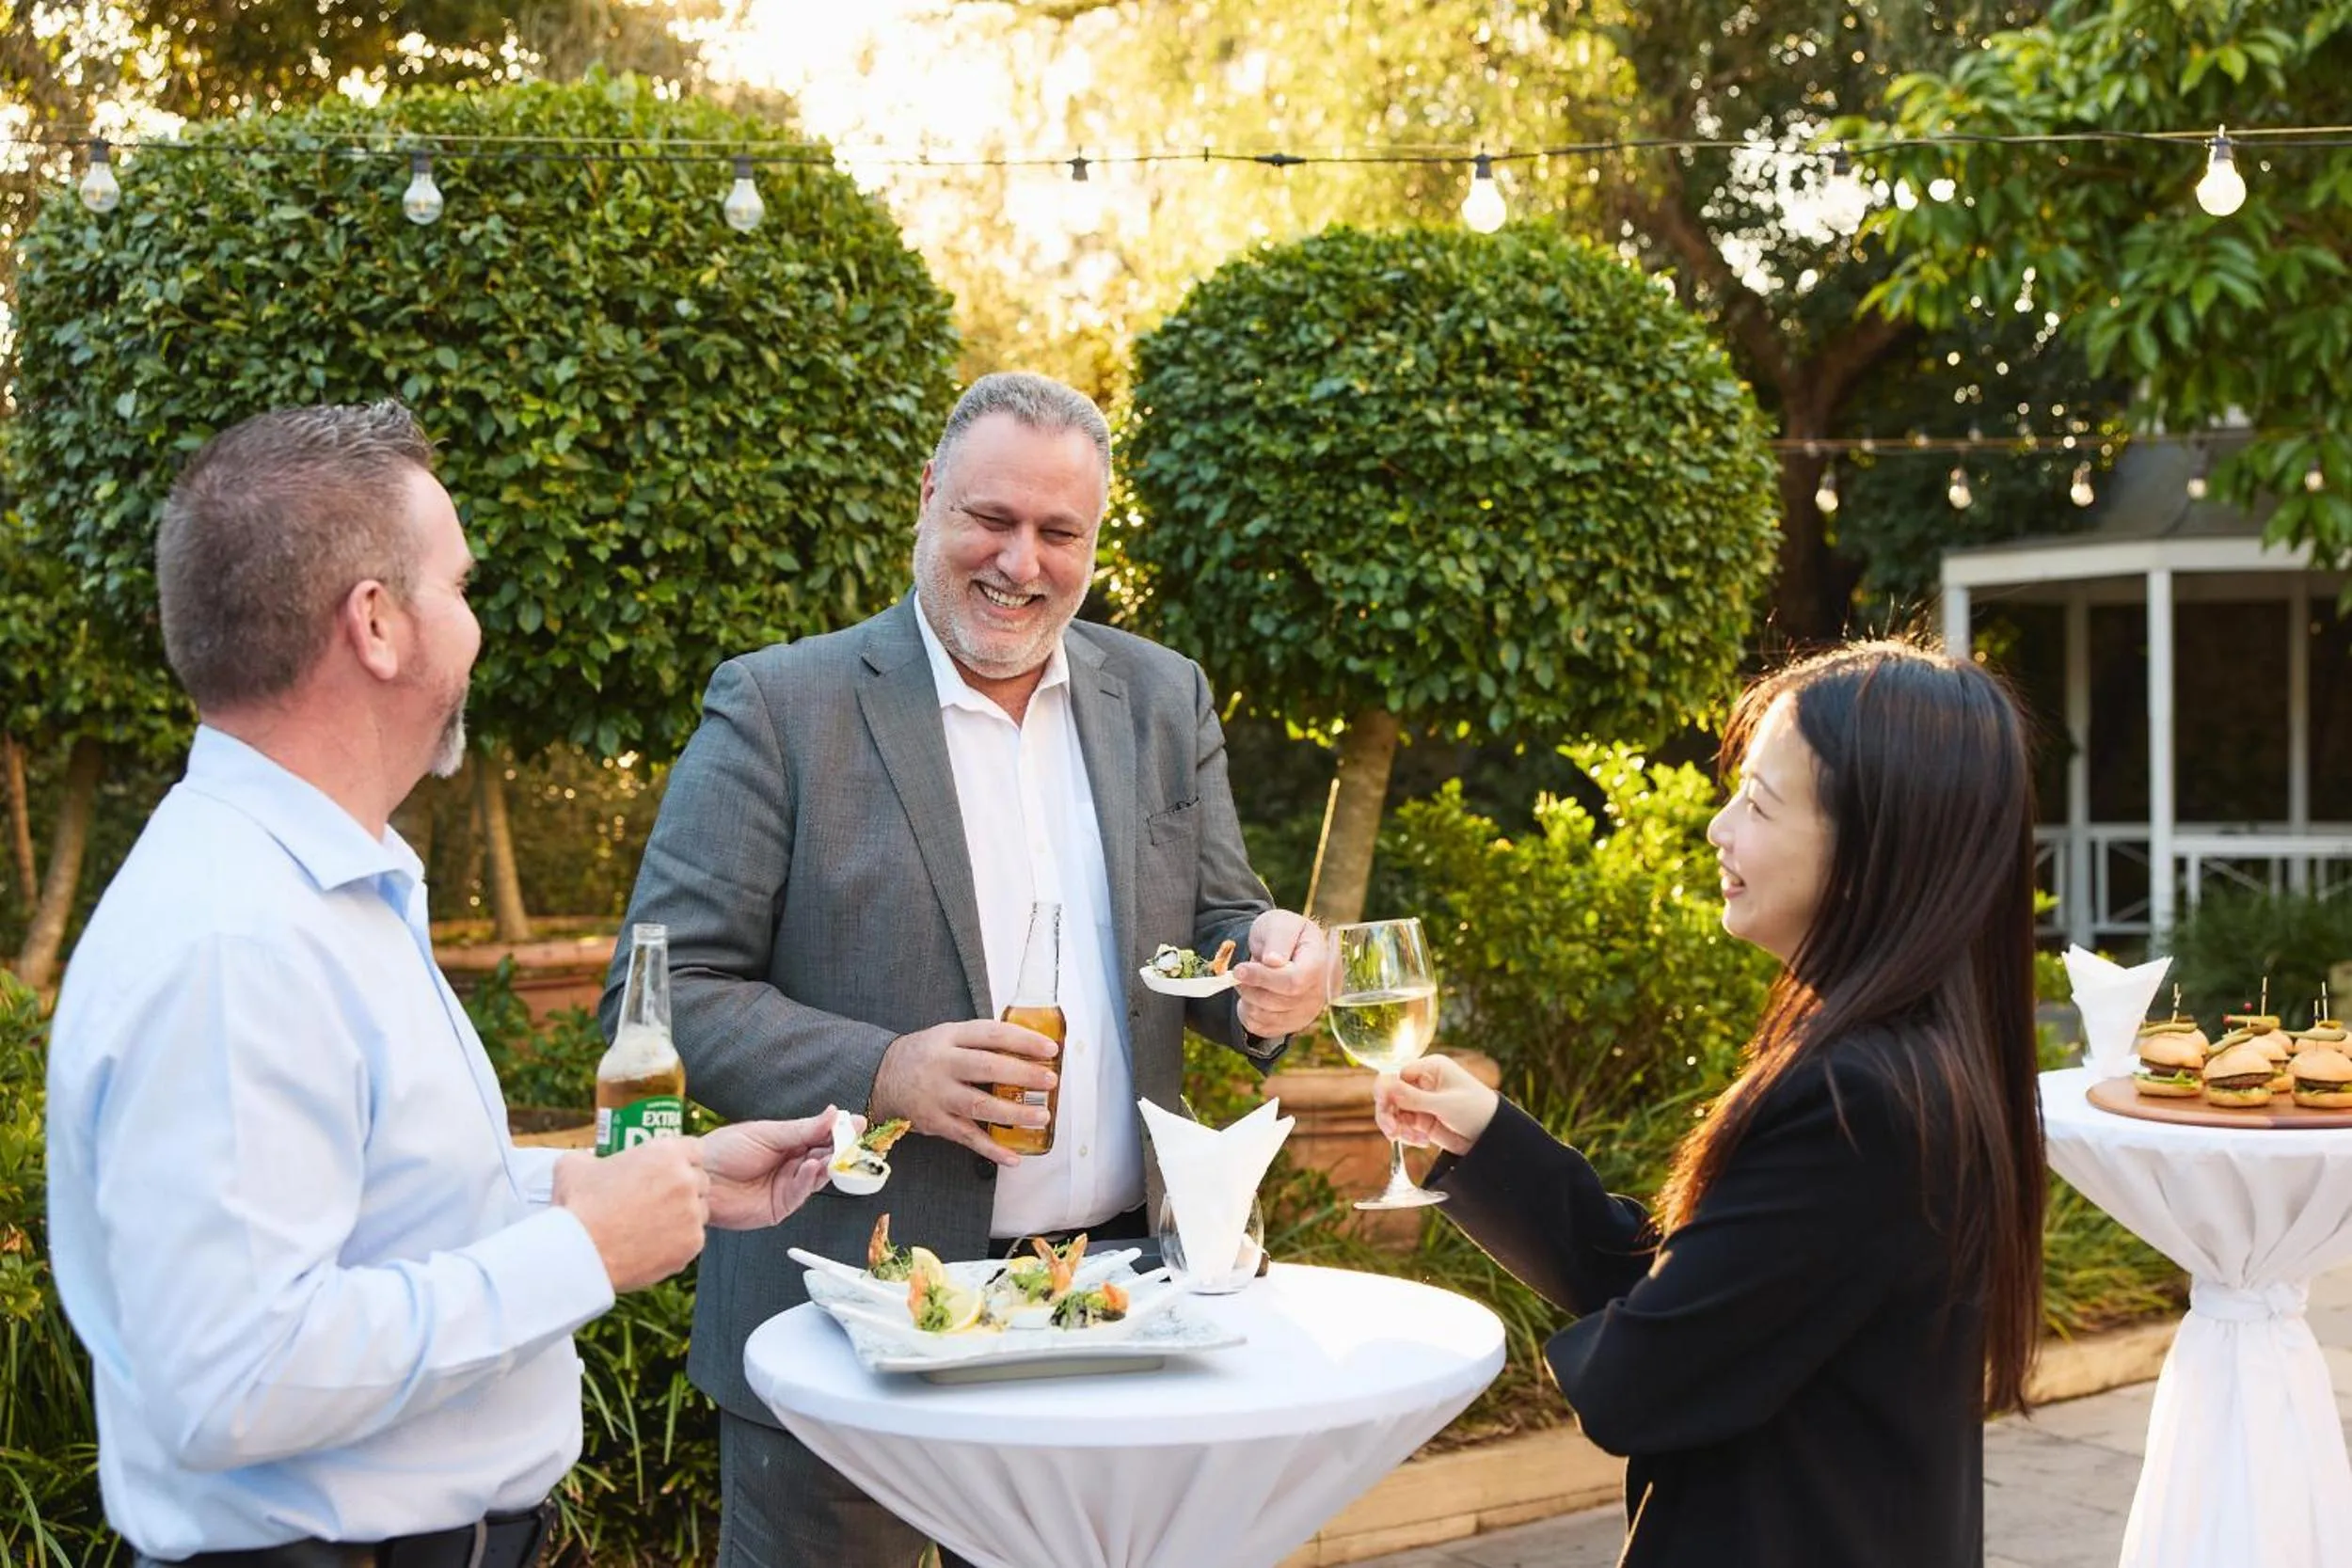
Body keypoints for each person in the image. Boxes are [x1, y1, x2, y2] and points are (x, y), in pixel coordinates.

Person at [44, 402, 844, 1568]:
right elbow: (234, 1376)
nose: (476, 627)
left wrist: (610, 1182)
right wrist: (583, 1249)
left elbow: (375, 1201)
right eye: (460, 587)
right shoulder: (235, 940)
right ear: (376, 622)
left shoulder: (317, 888)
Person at [605, 371, 1328, 1567]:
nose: (1020, 562)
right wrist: (884, 1069)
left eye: (1059, 532)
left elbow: (1212, 922)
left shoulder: (1162, 695)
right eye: (991, 518)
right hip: (850, 1313)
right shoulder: (781, 704)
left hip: (1114, 1303)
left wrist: (1269, 962)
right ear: (929, 495)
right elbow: (662, 996)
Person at [1376, 640, 2046, 1568]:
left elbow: (1640, 1380)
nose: (1717, 827)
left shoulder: (1855, 1100)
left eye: (1759, 803)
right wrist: (1491, 1136)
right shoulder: (1911, 1063)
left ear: (1868, 852)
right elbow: (1700, 1298)